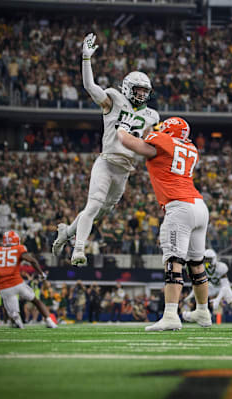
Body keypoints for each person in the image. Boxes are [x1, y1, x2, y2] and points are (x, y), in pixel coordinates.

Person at [52, 33, 160, 265]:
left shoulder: (152, 115)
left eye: (145, 91)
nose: (142, 94)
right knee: (93, 205)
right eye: (139, 90)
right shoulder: (114, 99)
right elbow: (89, 86)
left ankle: (66, 233)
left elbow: (152, 142)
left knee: (99, 213)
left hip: (125, 170)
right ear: (129, 88)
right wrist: (86, 59)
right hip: (107, 161)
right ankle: (78, 249)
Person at [117, 116, 209, 332]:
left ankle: (170, 315)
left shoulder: (163, 141)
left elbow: (132, 142)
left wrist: (122, 128)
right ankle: (203, 311)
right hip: (199, 206)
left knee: (173, 261)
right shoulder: (191, 147)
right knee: (196, 263)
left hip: (180, 207)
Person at [0, 231, 57, 329]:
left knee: (13, 311)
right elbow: (32, 260)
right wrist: (41, 273)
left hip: (5, 286)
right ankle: (49, 321)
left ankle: (16, 319)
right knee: (35, 301)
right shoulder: (19, 248)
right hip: (18, 283)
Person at [183, 249, 232, 327]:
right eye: (206, 259)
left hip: (223, 287)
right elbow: (199, 284)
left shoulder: (221, 267)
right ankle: (199, 315)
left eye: (209, 259)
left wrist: (218, 299)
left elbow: (224, 287)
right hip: (212, 286)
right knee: (200, 289)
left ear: (214, 259)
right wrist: (190, 296)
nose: (207, 261)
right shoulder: (203, 268)